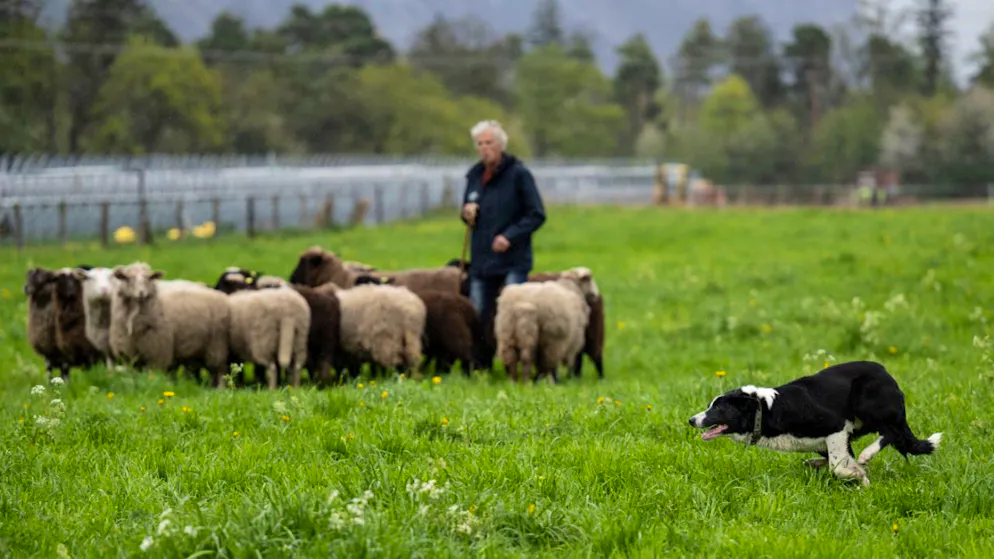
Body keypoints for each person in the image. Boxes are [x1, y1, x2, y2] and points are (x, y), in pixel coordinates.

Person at [460, 120, 546, 329]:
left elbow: (536, 214)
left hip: (512, 261)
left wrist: (510, 236)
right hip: (482, 262)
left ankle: (515, 350)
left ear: (501, 145)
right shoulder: (474, 176)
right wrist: (466, 213)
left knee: (513, 315)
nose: (484, 148)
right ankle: (482, 351)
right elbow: (467, 211)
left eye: (489, 143)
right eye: (480, 144)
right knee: (477, 317)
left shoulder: (519, 174)